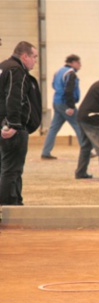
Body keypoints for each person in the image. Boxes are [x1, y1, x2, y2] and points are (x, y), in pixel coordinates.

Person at [0, 41, 42, 206]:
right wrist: (13, 124)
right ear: (25, 56)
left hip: (4, 124)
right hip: (11, 128)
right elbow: (14, 98)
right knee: (12, 169)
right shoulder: (16, 70)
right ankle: (9, 206)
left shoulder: (3, 66)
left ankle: (14, 201)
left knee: (6, 167)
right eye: (34, 57)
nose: (35, 61)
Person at [41, 54, 84, 160]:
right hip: (65, 103)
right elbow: (69, 90)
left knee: (53, 128)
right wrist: (71, 106)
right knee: (79, 125)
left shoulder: (59, 71)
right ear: (72, 63)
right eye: (78, 63)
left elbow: (53, 85)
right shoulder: (70, 73)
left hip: (57, 101)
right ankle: (86, 150)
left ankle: (45, 152)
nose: (80, 65)